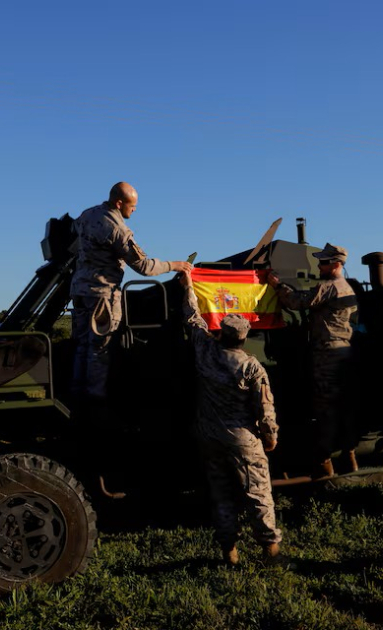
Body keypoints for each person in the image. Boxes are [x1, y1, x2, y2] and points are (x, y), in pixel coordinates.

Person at [179, 270, 285, 566]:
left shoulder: (204, 350)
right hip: (242, 439)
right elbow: (265, 410)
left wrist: (188, 286)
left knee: (221, 495)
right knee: (258, 494)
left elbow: (192, 316)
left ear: (221, 332)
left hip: (209, 435)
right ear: (244, 337)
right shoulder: (252, 368)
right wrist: (271, 437)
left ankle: (230, 553)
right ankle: (271, 552)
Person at [69, 182, 192, 402]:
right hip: (102, 297)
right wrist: (175, 265)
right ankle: (96, 406)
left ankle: (77, 400)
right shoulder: (117, 229)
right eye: (132, 205)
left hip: (80, 292)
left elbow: (73, 233)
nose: (134, 209)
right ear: (119, 203)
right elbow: (144, 266)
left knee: (82, 348)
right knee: (100, 351)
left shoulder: (88, 215)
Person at [267, 243, 358, 478]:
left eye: (324, 262)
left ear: (336, 264)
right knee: (342, 407)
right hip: (343, 352)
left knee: (324, 410)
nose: (319, 264)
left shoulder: (328, 287)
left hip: (327, 355)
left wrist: (278, 285)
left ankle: (324, 466)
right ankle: (349, 458)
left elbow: (297, 302)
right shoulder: (347, 287)